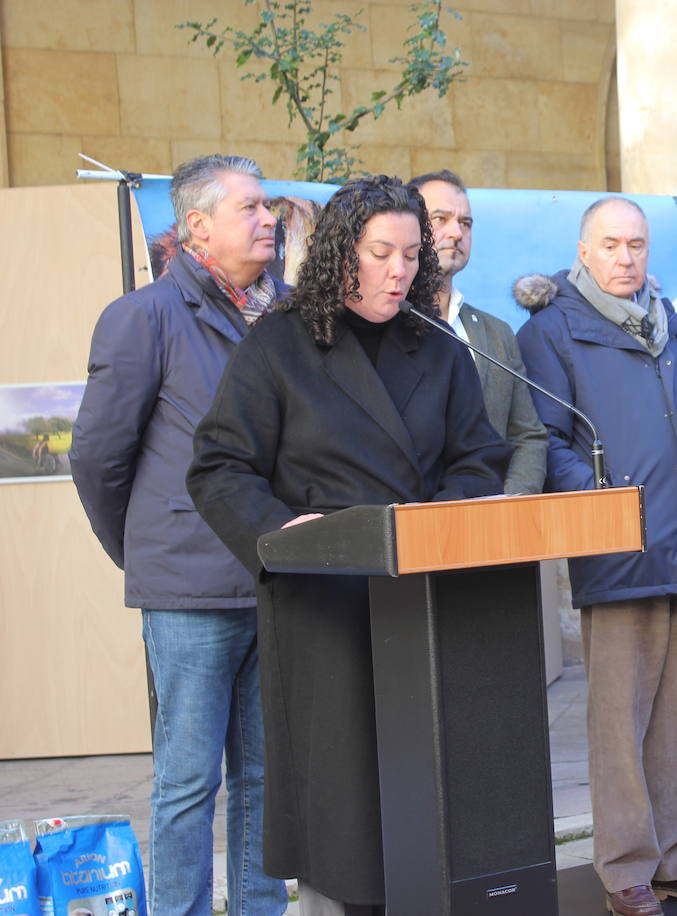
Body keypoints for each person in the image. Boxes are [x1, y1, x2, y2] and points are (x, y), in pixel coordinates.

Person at [186, 175, 511, 912]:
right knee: (346, 816)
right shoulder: (279, 344)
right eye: (380, 252)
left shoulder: (440, 348)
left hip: (425, 603)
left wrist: (436, 524)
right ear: (342, 254)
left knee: (425, 806)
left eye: (410, 254)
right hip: (326, 607)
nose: (398, 270)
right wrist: (278, 531)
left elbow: (477, 457)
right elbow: (219, 465)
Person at [515, 197, 677, 916]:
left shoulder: (671, 321)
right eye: (611, 245)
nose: (626, 258)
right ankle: (624, 870)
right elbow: (547, 440)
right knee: (621, 721)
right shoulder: (550, 331)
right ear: (583, 251)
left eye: (637, 245)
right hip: (623, 552)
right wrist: (608, 505)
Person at [69, 154, 288, 916]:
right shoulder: (145, 317)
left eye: (270, 208)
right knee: (188, 781)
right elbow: (98, 458)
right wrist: (144, 554)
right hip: (188, 591)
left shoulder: (286, 316)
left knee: (265, 779)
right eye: (251, 208)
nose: (270, 220)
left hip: (276, 580)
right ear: (197, 225)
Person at [409, 169, 547, 494]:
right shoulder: (383, 327)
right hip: (412, 526)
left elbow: (528, 435)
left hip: (494, 529)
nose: (456, 232)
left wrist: (511, 504)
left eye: (466, 223)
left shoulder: (497, 334)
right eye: (439, 219)